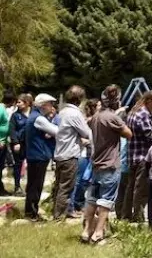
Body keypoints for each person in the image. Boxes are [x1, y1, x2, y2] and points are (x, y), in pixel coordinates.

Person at [83, 85, 132, 245]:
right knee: (106, 201)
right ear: (116, 100)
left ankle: (86, 230)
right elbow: (128, 134)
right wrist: (118, 116)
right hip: (110, 165)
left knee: (92, 199)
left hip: (96, 164)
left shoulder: (96, 116)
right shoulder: (112, 117)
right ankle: (98, 232)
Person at [53, 85, 92, 220]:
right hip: (70, 154)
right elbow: (86, 132)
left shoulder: (62, 111)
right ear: (79, 99)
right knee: (66, 187)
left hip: (60, 153)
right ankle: (59, 216)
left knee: (59, 186)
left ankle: (61, 212)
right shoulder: (75, 113)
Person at [123, 90, 152, 222]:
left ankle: (125, 215)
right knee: (140, 189)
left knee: (130, 187)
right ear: (149, 101)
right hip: (142, 156)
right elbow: (149, 137)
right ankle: (137, 217)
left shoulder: (133, 111)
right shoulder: (144, 114)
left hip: (132, 154)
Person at [24, 93, 59, 221]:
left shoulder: (34, 116)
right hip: (39, 155)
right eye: (50, 104)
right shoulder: (39, 119)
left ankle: (30, 212)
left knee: (33, 184)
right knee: (36, 186)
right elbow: (56, 131)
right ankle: (32, 213)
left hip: (34, 155)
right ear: (44, 105)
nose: (52, 106)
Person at [72, 98, 101, 214]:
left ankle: (82, 202)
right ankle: (77, 202)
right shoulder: (89, 120)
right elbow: (84, 137)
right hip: (85, 154)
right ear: (94, 107)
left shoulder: (96, 119)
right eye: (98, 105)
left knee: (88, 180)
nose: (101, 107)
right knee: (82, 180)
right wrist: (90, 141)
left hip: (92, 153)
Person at [9, 93, 33, 196]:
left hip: (31, 144)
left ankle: (31, 187)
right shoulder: (15, 115)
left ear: (27, 103)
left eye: (19, 102)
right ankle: (17, 187)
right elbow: (12, 129)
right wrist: (15, 142)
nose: (17, 104)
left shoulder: (33, 114)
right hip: (19, 144)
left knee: (32, 165)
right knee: (18, 165)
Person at [0, 91, 11, 197]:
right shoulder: (1, 109)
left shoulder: (3, 109)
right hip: (1, 142)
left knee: (1, 166)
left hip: (3, 142)